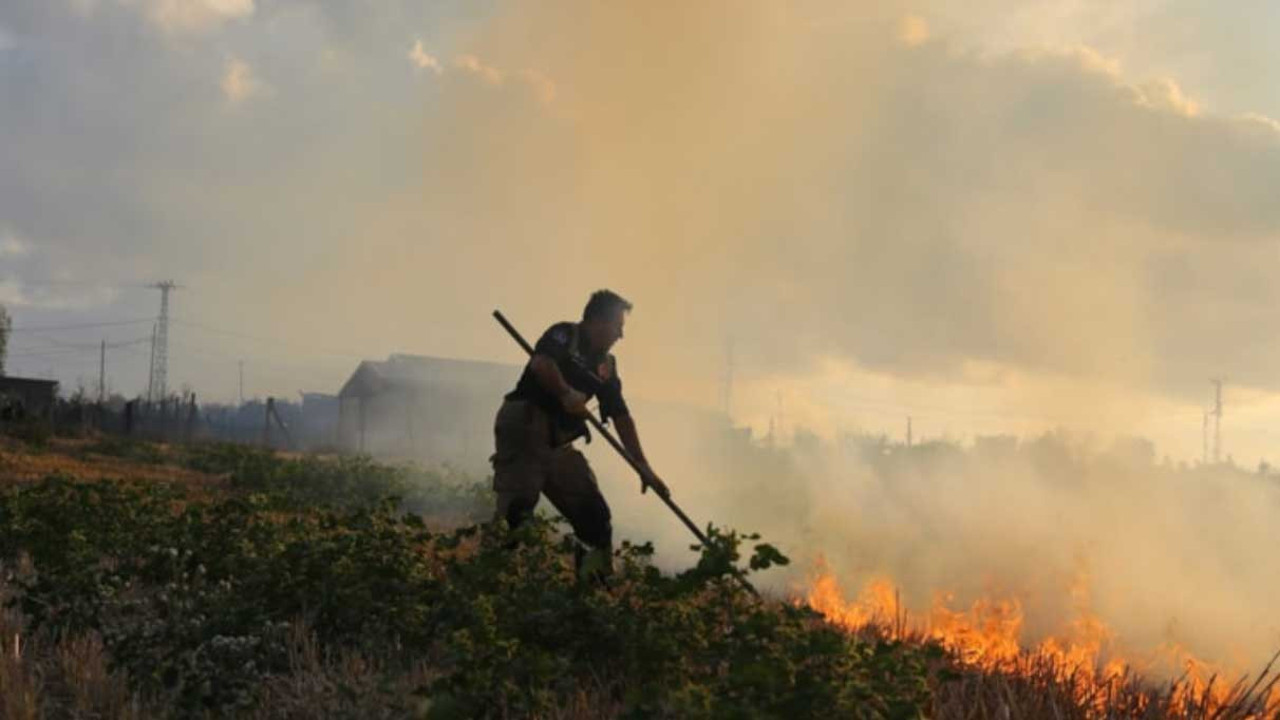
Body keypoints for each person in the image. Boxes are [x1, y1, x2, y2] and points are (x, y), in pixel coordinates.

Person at [491, 289, 670, 577]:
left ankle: (595, 592)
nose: (620, 336)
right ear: (598, 321)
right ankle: (492, 585)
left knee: (595, 517)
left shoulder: (606, 367)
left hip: (559, 443)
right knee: (517, 512)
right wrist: (565, 393)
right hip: (526, 428)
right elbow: (542, 363)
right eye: (618, 327)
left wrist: (643, 466)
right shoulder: (564, 335)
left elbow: (621, 415)